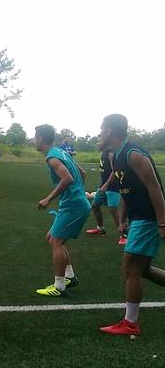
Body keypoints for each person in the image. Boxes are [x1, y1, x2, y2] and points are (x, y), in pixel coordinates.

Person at [97, 114, 165, 336]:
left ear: (109, 131)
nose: (99, 133)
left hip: (148, 217)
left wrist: (162, 222)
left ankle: (130, 323)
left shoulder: (133, 154)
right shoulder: (117, 157)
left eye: (101, 129)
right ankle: (130, 321)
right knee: (142, 269)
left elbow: (154, 188)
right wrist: (123, 219)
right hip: (138, 217)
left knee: (131, 265)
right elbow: (126, 191)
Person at [34, 124, 91, 297]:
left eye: (35, 137)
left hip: (73, 205)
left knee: (57, 242)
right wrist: (80, 192)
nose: (33, 140)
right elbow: (82, 173)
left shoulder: (52, 157)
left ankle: (59, 287)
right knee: (52, 238)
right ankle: (70, 277)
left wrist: (48, 199)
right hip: (73, 203)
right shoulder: (62, 152)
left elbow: (67, 178)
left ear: (41, 139)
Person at [85, 146, 126, 244]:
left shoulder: (111, 153)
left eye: (100, 138)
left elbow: (114, 171)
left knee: (113, 208)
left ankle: (123, 235)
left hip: (113, 187)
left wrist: (106, 185)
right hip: (103, 186)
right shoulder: (103, 153)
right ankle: (100, 229)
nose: (98, 142)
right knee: (95, 206)